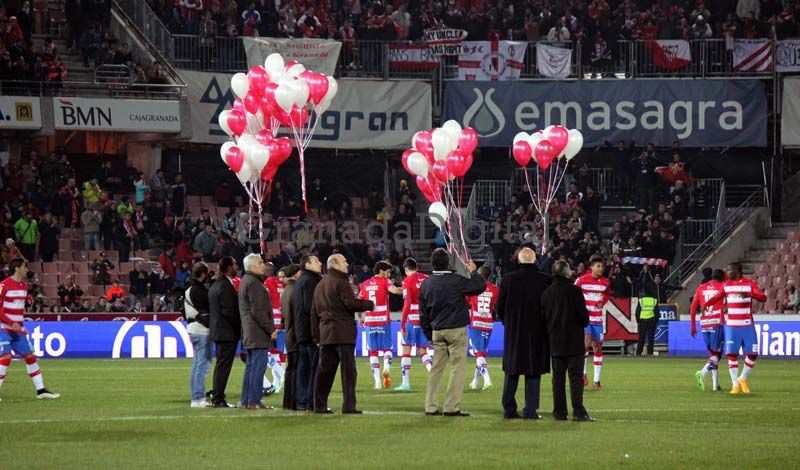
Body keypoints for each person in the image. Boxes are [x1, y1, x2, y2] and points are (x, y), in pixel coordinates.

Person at [419, 249, 485, 417]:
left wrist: (429, 335)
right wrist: (474, 272)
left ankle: (430, 406)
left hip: (437, 331)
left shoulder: (426, 284)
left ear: (432, 263)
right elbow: (479, 286)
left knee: (435, 370)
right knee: (457, 368)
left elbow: (423, 314)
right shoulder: (456, 280)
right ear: (448, 263)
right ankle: (451, 407)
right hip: (456, 330)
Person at [312, 254, 375, 414]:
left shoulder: (320, 284)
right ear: (335, 265)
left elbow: (314, 312)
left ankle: (319, 405)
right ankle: (349, 405)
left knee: (324, 371)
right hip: (343, 333)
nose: (347, 264)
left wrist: (316, 336)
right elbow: (350, 303)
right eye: (344, 261)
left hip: (326, 333)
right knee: (348, 372)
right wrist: (369, 304)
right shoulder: (341, 282)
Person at [494, 248, 551, 420]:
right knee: (533, 371)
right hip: (537, 332)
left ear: (518, 261)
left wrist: (508, 322)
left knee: (512, 370)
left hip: (514, 332)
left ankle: (509, 408)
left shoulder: (507, 279)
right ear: (535, 261)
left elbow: (499, 308)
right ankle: (530, 410)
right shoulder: (545, 280)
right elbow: (548, 307)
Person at [702, 262, 767, 395]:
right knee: (732, 355)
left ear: (736, 271)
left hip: (747, 325)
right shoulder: (727, 285)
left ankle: (742, 378)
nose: (726, 272)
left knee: (753, 354)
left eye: (729, 270)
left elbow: (763, 297)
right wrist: (705, 305)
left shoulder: (749, 284)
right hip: (732, 326)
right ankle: (735, 385)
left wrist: (751, 295)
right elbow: (717, 297)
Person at [0, 258, 60, 400]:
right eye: (24, 267)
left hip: (17, 330)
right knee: (6, 358)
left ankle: (41, 390)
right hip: (3, 328)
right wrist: (10, 323)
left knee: (30, 357)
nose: (27, 269)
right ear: (17, 268)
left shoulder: (24, 286)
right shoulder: (4, 285)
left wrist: (20, 326)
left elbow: (19, 309)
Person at [541, 260, 594, 421]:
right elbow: (584, 318)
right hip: (573, 341)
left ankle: (559, 412)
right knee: (575, 378)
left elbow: (542, 319)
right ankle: (578, 411)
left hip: (555, 342)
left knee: (558, 379)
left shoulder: (546, 293)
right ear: (566, 273)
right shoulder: (575, 291)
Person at [239, 254, 276, 410]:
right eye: (260, 263)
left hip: (249, 331)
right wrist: (270, 329)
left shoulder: (245, 281)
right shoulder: (254, 283)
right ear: (252, 266)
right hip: (257, 332)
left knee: (251, 368)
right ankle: (254, 401)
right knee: (258, 368)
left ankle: (246, 400)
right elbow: (258, 311)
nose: (263, 266)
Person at [358, 261, 403, 389]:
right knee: (387, 349)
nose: (389, 275)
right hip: (383, 320)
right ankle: (386, 368)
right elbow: (394, 290)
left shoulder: (365, 284)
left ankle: (377, 382)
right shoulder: (385, 282)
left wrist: (360, 318)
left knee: (373, 352)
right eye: (388, 272)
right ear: (381, 271)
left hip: (370, 321)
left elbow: (359, 302)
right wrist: (408, 289)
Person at [395, 258, 431, 392]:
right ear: (416, 267)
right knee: (423, 351)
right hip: (425, 319)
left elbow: (407, 304)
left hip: (412, 320)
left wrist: (403, 324)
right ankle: (434, 377)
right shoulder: (427, 279)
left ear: (406, 270)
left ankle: (405, 384)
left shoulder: (407, 281)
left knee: (406, 350)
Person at [574, 255, 610, 390]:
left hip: (598, 320)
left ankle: (596, 380)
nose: (600, 269)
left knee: (597, 347)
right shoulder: (581, 281)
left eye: (602, 266)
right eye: (598, 266)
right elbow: (573, 294)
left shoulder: (605, 282)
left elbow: (607, 294)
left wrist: (603, 302)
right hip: (584, 319)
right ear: (592, 267)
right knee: (586, 344)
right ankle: (583, 374)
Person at [208, 256, 240, 408]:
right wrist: (239, 326)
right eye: (234, 265)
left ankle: (217, 395)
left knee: (221, 365)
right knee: (223, 366)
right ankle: (218, 398)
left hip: (219, 331)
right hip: (226, 332)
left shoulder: (215, 285)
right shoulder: (226, 286)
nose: (237, 267)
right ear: (228, 268)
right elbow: (229, 311)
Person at [292, 254, 323, 412]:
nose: (320, 263)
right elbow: (311, 307)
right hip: (310, 332)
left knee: (303, 368)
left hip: (300, 331)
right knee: (313, 367)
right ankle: (311, 402)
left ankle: (302, 402)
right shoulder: (310, 281)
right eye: (316, 261)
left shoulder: (300, 281)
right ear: (307, 265)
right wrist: (316, 333)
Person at [689, 268, 725, 392]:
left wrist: (693, 326)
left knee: (712, 354)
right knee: (717, 354)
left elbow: (693, 307)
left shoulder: (701, 287)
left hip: (704, 323)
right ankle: (702, 373)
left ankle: (715, 385)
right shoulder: (723, 286)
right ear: (722, 278)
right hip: (716, 322)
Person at [467, 266, 499, 391]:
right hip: (489, 324)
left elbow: (467, 302)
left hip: (476, 323)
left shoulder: (474, 288)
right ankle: (475, 381)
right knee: (481, 355)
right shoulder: (495, 290)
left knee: (479, 354)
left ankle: (487, 380)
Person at [185, 262, 212, 408]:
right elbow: (210, 304)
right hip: (202, 329)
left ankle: (196, 396)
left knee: (197, 365)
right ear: (203, 275)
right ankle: (198, 398)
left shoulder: (188, 289)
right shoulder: (199, 290)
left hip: (192, 328)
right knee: (202, 365)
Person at [280, 264, 301, 410]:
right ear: (295, 274)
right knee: (297, 369)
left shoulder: (286, 291)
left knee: (290, 369)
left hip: (289, 334)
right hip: (296, 334)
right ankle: (295, 401)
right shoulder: (296, 290)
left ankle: (288, 401)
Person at [263, 264, 286, 393]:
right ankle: (277, 382)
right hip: (283, 319)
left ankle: (282, 373)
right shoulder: (284, 285)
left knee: (266, 351)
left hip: (272, 318)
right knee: (279, 353)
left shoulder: (269, 282)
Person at [635, 287, 658, 356]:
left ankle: (638, 353)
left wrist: (638, 321)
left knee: (641, 338)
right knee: (651, 339)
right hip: (651, 321)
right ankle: (650, 354)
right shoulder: (654, 300)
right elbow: (657, 312)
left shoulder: (641, 300)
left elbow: (637, 312)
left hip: (642, 321)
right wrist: (655, 321)